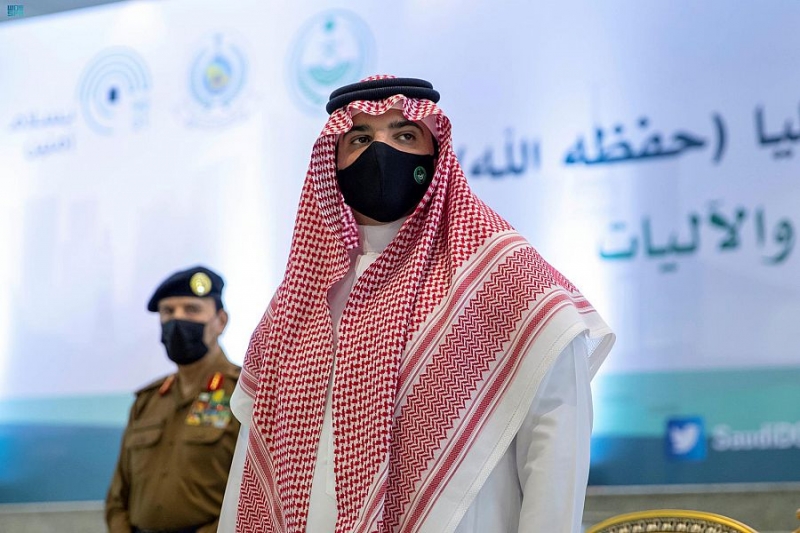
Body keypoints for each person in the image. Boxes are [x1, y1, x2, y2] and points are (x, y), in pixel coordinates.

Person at [219, 76, 615, 533]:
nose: (381, 152)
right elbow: (252, 465)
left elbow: (555, 443)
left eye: (405, 135)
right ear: (333, 163)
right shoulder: (298, 303)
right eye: (360, 139)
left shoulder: (502, 277)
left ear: (435, 154)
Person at [106, 265, 241, 533]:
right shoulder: (148, 401)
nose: (178, 319)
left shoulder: (243, 397)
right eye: (168, 312)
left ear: (221, 321)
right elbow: (117, 499)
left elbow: (256, 495)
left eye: (192, 309)